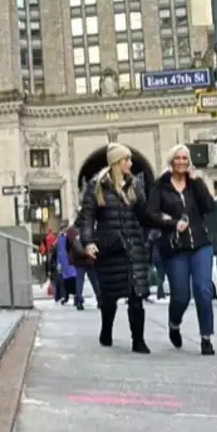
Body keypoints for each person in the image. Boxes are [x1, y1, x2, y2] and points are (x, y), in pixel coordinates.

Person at [78, 143, 154, 353]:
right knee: (109, 296)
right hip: (110, 248)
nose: (130, 163)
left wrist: (151, 234)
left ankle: (138, 340)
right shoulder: (97, 185)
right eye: (126, 160)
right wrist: (88, 241)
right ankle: (106, 330)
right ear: (116, 162)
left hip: (133, 246)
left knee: (136, 295)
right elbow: (87, 217)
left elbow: (144, 215)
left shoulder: (134, 184)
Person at [145, 144, 217, 355]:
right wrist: (172, 223)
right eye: (178, 158)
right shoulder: (160, 186)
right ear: (171, 160)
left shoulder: (195, 184)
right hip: (176, 247)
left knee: (203, 290)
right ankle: (174, 323)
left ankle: (206, 338)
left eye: (185, 158)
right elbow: (151, 214)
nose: (182, 162)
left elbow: (209, 207)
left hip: (201, 245)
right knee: (181, 296)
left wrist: (198, 182)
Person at [55, 222, 81, 309]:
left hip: (71, 260)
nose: (63, 230)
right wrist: (58, 263)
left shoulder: (71, 236)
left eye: (64, 228)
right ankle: (67, 296)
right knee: (66, 281)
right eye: (62, 228)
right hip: (64, 261)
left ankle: (76, 297)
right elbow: (59, 250)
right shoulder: (60, 238)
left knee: (74, 279)